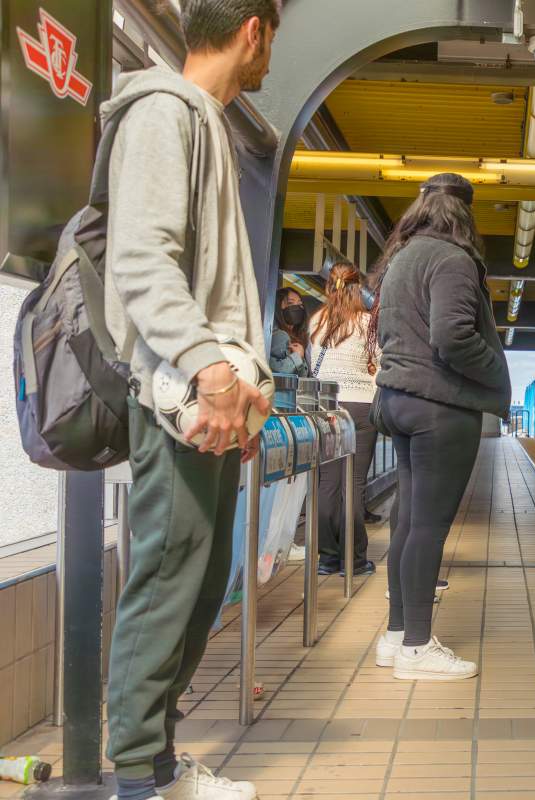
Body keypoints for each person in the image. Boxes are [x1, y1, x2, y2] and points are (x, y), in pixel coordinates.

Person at [101, 2, 278, 800]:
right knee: (170, 575)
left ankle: (159, 763)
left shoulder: (205, 121)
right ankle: (138, 775)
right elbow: (143, 261)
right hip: (179, 396)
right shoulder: (162, 114)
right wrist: (211, 372)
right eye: (273, 37)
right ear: (253, 30)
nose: (271, 53)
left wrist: (244, 392)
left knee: (203, 583)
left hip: (211, 402)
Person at [368, 173, 510, 681]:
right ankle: (417, 648)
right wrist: (497, 371)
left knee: (408, 523)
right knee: (427, 528)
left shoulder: (402, 258)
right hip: (439, 405)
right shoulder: (453, 259)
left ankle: (396, 635)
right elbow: (452, 337)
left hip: (399, 400)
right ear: (465, 214)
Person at [309, 261, 377, 576]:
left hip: (327, 408)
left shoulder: (316, 322)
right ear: (357, 288)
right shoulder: (368, 323)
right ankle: (355, 559)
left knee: (327, 484)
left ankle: (328, 558)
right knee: (355, 484)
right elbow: (378, 365)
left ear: (329, 287)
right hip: (362, 407)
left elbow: (312, 367)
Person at [270, 287, 309, 375]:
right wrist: (298, 356)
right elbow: (276, 371)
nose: (297, 307)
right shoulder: (279, 336)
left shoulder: (295, 335)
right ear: (278, 307)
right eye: (291, 303)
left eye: (300, 304)